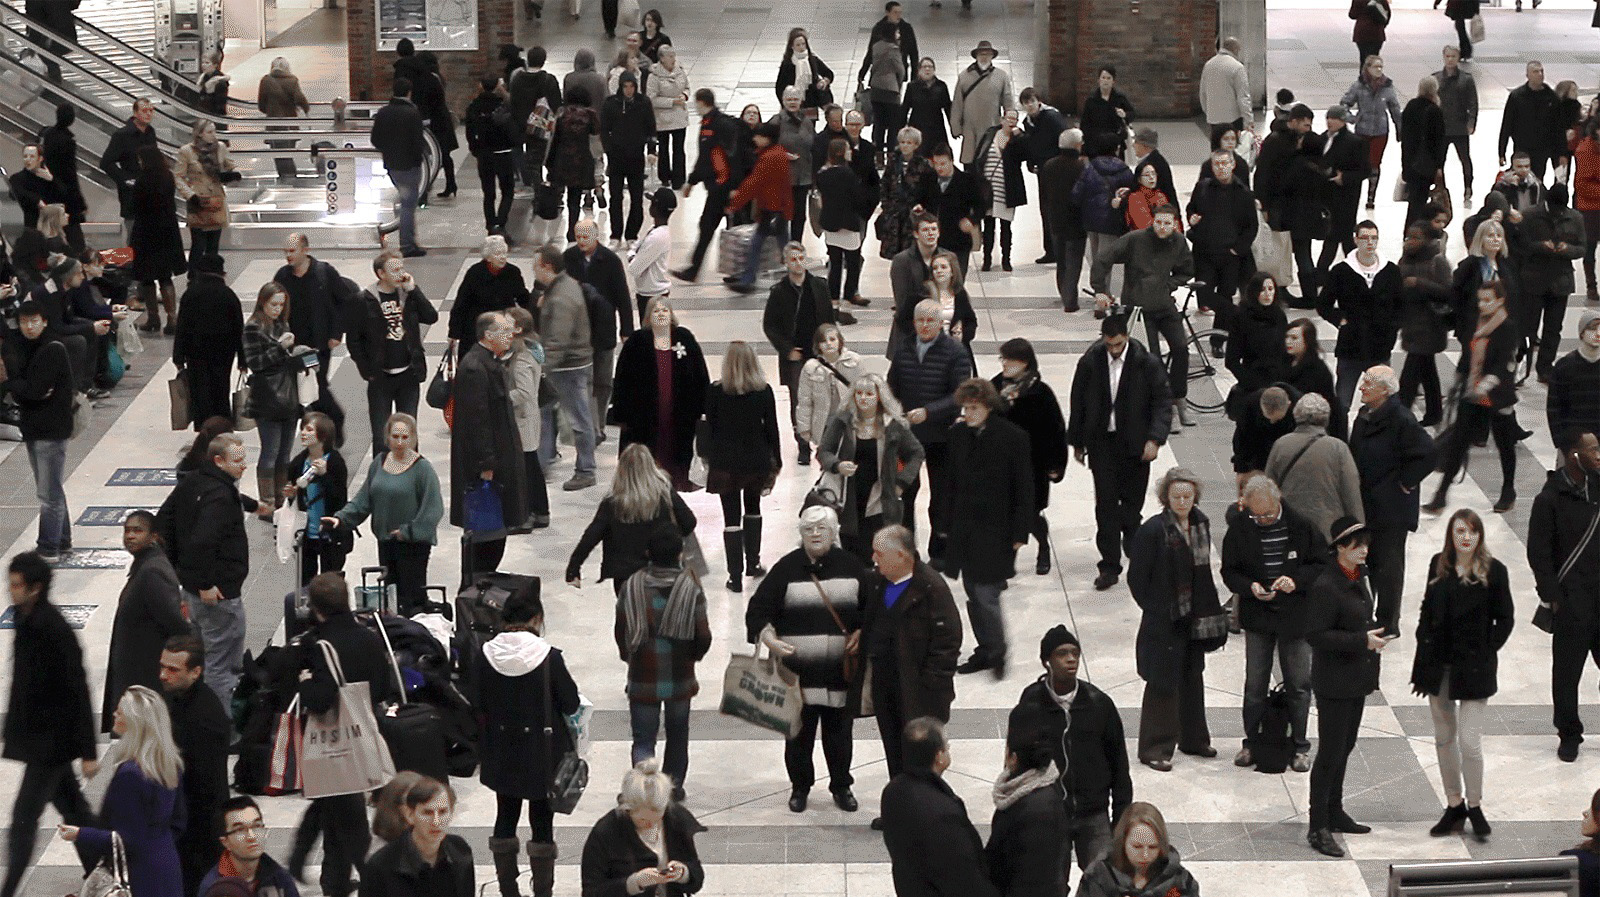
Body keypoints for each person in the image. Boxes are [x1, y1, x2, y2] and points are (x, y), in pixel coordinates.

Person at [746, 506, 868, 812]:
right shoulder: (786, 569)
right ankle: (800, 787)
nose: (814, 534)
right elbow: (758, 609)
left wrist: (862, 631)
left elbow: (874, 607)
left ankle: (841, 786)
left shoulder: (852, 566)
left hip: (839, 672)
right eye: (808, 529)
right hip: (798, 675)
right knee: (798, 737)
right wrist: (768, 637)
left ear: (834, 532)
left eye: (821, 528)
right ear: (800, 534)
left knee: (839, 736)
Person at [1409, 509, 1513, 841]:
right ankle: (1454, 804)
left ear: (1480, 536)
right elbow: (1427, 607)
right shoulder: (1438, 564)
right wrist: (1421, 641)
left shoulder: (1495, 572)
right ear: (1451, 536)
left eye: (1471, 532)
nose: (1464, 538)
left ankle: (1475, 804)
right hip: (1438, 663)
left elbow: (1505, 619)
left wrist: (1486, 649)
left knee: (1470, 741)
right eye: (1458, 531)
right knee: (1444, 738)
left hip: (1474, 667)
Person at [0, 552, 97, 897]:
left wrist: (88, 751)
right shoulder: (27, 621)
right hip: (41, 739)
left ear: (35, 588)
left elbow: (78, 689)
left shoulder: (52, 629)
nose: (9, 591)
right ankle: (106, 869)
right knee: (75, 810)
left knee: (23, 820)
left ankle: (8, 889)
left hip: (51, 744)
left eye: (15, 585)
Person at [296, 574, 399, 897]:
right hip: (361, 735)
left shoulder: (318, 644)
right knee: (335, 807)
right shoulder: (368, 637)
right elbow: (384, 687)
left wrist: (303, 681)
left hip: (333, 742)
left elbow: (320, 698)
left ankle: (363, 880)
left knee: (342, 815)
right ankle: (332, 880)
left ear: (315, 608)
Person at [1004, 626, 1131, 881]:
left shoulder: (1099, 704)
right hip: (1049, 815)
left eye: (1075, 652)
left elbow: (1119, 764)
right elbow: (1013, 766)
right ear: (1046, 662)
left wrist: (1121, 818)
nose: (1071, 659)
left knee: (1105, 883)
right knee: (1050, 884)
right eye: (1062, 654)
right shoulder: (1029, 706)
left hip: (1093, 812)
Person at [475, 584, 578, 897]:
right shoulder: (548, 658)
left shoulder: (484, 654)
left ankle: (508, 888)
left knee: (505, 814)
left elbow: (476, 701)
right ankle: (543, 890)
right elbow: (571, 703)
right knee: (541, 821)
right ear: (537, 617)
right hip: (542, 753)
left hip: (500, 750)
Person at [1222, 475, 1324, 772]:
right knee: (1255, 682)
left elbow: (1320, 563)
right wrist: (1250, 586)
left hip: (1295, 616)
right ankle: (1252, 741)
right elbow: (1230, 570)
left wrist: (1295, 581)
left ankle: (1300, 745)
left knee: (1299, 683)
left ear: (1277, 500)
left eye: (1267, 514)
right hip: (1258, 615)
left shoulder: (1301, 525)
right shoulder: (1241, 527)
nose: (1263, 520)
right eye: (1257, 515)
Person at [1068, 314, 1172, 590]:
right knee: (1105, 507)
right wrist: (1077, 441)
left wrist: (1155, 439)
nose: (1113, 350)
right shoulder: (1090, 362)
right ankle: (1109, 565)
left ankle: (1131, 535)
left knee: (1131, 505)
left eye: (1118, 344)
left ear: (1126, 337)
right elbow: (1078, 400)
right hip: (1103, 444)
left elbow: (1162, 402)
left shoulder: (1146, 363)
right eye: (1109, 345)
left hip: (1136, 444)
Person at [1128, 467, 1222, 771]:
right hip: (1164, 618)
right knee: (1162, 681)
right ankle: (1154, 747)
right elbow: (1137, 577)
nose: (1182, 501)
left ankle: (1194, 739)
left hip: (1195, 614)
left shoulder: (1200, 524)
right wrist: (1156, 607)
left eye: (1188, 495)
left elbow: (1204, 571)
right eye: (1176, 495)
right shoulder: (1153, 530)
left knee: (1193, 676)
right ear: (1166, 498)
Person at [1304, 516, 1388, 857]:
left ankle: (1334, 811)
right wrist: (1361, 641)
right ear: (1340, 548)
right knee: (1330, 752)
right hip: (1334, 682)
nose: (1365, 550)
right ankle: (1317, 825)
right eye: (1358, 545)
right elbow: (1316, 635)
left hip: (1356, 678)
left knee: (1346, 746)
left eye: (1366, 544)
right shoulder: (1327, 585)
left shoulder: (1358, 576)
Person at [940, 378, 1033, 677]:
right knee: (972, 592)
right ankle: (985, 649)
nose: (967, 413)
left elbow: (1024, 488)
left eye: (973, 408)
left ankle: (997, 650)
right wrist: (943, 523)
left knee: (986, 594)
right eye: (964, 408)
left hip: (997, 530)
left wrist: (1021, 531)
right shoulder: (957, 436)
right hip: (964, 529)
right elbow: (949, 484)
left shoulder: (1013, 437)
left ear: (988, 407)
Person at [860, 526, 961, 796]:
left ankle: (926, 806)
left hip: (919, 691)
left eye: (880, 553)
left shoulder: (931, 588)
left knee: (920, 756)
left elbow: (949, 642)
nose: (874, 558)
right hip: (887, 681)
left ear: (903, 556)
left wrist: (930, 684)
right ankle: (901, 802)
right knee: (893, 748)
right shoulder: (879, 582)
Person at [58, 686, 184, 897]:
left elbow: (126, 841)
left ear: (135, 722)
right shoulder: (170, 764)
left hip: (139, 876)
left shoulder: (130, 775)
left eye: (120, 711)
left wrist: (80, 834)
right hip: (167, 867)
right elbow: (178, 822)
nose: (114, 714)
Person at [155, 432, 250, 705]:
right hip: (217, 595)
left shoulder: (193, 481)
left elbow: (163, 522)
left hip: (193, 592)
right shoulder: (220, 496)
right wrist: (206, 583)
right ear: (219, 461)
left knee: (203, 661)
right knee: (221, 666)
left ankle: (197, 719)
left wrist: (181, 571)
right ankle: (221, 728)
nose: (244, 465)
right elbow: (202, 542)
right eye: (238, 460)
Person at [616, 527, 710, 799]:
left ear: (648, 554)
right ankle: (673, 784)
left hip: (642, 674)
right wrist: (695, 655)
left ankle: (645, 788)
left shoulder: (631, 586)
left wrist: (628, 655)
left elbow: (621, 628)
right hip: (680, 675)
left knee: (643, 737)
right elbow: (703, 634)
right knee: (678, 734)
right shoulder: (690, 588)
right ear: (680, 554)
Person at [1349, 365, 1435, 635]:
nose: (1361, 387)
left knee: (1388, 567)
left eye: (1368, 384)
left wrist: (1406, 481)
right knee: (1368, 561)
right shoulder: (1365, 415)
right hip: (1367, 502)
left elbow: (1428, 453)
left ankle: (1388, 622)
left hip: (1391, 508)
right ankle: (1366, 614)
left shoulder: (1401, 419)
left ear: (1385, 390)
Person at [1530, 429, 1600, 762]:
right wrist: (1552, 595)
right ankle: (1569, 733)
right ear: (1574, 455)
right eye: (1593, 451)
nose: (1598, 456)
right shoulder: (1550, 499)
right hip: (1572, 601)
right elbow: (1538, 553)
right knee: (1567, 673)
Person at [1092, 205, 1195, 428]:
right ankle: (1165, 408)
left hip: (1164, 306)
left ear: (1175, 224)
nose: (1162, 227)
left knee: (1181, 349)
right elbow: (1103, 258)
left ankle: (1180, 399)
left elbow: (1187, 270)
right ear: (1152, 221)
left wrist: (1170, 284)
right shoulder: (1135, 239)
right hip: (1138, 309)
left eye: (1167, 223)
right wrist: (1100, 289)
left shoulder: (1178, 242)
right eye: (1158, 222)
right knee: (1153, 358)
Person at [1423, 280, 1521, 513]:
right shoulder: (1474, 323)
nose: (1483, 304)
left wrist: (1486, 384)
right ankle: (1441, 494)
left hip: (1497, 395)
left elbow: (1503, 364)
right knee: (1458, 443)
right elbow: (1468, 355)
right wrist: (1460, 378)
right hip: (1472, 394)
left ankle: (1508, 490)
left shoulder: (1507, 327)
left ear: (1500, 301)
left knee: (1505, 445)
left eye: (1488, 300)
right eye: (1480, 299)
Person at [326, 413, 442, 610]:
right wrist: (341, 519)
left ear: (413, 438)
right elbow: (363, 500)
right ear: (387, 437)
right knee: (391, 601)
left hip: (413, 546)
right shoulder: (379, 463)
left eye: (405, 437)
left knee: (411, 601)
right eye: (395, 436)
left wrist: (408, 532)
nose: (399, 442)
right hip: (386, 542)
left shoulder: (423, 469)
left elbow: (433, 509)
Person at [887, 299, 970, 558]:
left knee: (942, 494)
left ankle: (940, 549)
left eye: (930, 320)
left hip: (941, 435)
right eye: (920, 320)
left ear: (940, 323)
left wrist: (929, 412)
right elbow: (892, 385)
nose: (924, 325)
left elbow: (959, 394)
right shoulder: (904, 348)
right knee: (905, 493)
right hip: (908, 436)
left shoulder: (955, 352)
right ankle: (908, 549)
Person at [880, 718, 999, 897]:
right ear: (939, 757)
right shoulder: (943, 814)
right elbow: (964, 875)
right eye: (947, 746)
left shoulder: (892, 791)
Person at [452, 311, 529, 576]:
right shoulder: (475, 367)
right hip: (487, 467)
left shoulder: (488, 362)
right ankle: (476, 582)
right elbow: (478, 421)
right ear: (487, 335)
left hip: (498, 457)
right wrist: (486, 464)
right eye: (505, 332)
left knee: (496, 531)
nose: (511, 337)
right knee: (486, 532)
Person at [817, 373, 923, 562]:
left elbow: (916, 453)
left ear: (879, 396)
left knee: (877, 546)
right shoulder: (843, 421)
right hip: (847, 494)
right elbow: (824, 450)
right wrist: (837, 465)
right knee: (850, 546)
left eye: (869, 394)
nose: (863, 398)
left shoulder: (893, 424)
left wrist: (902, 482)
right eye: (859, 393)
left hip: (880, 496)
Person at [702, 341, 782, 592]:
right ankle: (753, 562)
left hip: (724, 462)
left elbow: (709, 427)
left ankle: (734, 576)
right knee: (753, 507)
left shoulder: (715, 391)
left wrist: (707, 456)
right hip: (755, 460)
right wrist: (777, 460)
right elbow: (772, 429)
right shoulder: (763, 391)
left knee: (730, 517)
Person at [1, 301, 77, 561]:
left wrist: (13, 383)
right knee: (52, 487)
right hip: (35, 428)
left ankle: (48, 548)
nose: (29, 327)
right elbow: (32, 390)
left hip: (51, 430)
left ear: (44, 321)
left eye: (34, 321)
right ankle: (62, 540)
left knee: (48, 493)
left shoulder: (52, 349)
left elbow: (34, 390)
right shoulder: (25, 348)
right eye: (24, 322)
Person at [158, 634, 232, 896]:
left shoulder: (204, 719)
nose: (164, 675)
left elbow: (203, 787)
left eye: (173, 669)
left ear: (196, 672)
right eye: (163, 667)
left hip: (199, 830)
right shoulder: (179, 698)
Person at [567, 444, 698, 590]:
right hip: (660, 570)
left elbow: (591, 536)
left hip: (625, 576)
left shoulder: (612, 503)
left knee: (628, 611)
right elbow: (689, 522)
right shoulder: (665, 494)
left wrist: (574, 566)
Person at [610, 297, 709, 489]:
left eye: (665, 310)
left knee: (677, 448)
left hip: (679, 413)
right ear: (648, 316)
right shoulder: (637, 342)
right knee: (648, 451)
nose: (661, 314)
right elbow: (622, 378)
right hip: (644, 414)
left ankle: (677, 482)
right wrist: (621, 413)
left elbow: (700, 373)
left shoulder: (684, 338)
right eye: (656, 311)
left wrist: (704, 405)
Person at [102, 511, 187, 733]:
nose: (130, 536)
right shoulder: (146, 565)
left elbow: (174, 622)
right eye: (127, 530)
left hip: (145, 673)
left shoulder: (152, 572)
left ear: (153, 536)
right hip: (140, 670)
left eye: (137, 531)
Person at [347, 253, 437, 456]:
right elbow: (354, 340)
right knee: (381, 435)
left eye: (402, 268)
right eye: (395, 270)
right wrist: (366, 370)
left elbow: (431, 316)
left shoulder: (408, 295)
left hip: (408, 374)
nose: (402, 274)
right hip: (380, 377)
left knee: (408, 431)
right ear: (381, 273)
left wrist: (414, 291)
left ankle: (410, 473)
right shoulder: (364, 299)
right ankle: (382, 476)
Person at [991, 339, 1068, 575]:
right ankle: (1007, 561)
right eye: (1003, 359)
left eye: (1010, 359)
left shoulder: (1040, 392)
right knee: (1006, 513)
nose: (1005, 364)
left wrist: (1056, 464)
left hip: (1034, 463)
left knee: (1030, 513)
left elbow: (1055, 429)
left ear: (1024, 363)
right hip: (1003, 463)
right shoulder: (994, 386)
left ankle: (1043, 547)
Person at [579, 759, 705, 897]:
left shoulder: (676, 820)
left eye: (657, 819)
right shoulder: (606, 832)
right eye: (642, 820)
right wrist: (633, 883)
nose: (651, 825)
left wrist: (683, 873)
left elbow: (697, 876)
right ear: (628, 809)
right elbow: (591, 891)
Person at [766, 242, 838, 466]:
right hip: (794, 357)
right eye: (793, 259)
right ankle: (803, 445)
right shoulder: (779, 292)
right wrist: (786, 350)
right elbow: (770, 325)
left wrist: (830, 346)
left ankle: (826, 443)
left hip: (818, 353)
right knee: (799, 400)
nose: (798, 263)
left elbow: (828, 319)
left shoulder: (819, 286)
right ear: (786, 263)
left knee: (825, 397)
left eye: (801, 258)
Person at [1318, 220, 1400, 411]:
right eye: (1364, 238)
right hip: (1351, 347)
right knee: (1342, 402)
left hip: (1380, 347)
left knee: (1384, 402)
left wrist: (1392, 329)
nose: (1370, 242)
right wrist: (1340, 320)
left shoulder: (1390, 271)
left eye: (1374, 238)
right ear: (1355, 240)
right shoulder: (1341, 271)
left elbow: (1400, 306)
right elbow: (1323, 304)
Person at [276, 234, 353, 436]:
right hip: (294, 344)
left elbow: (345, 302)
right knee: (306, 385)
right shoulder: (283, 276)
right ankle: (321, 427)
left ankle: (333, 420)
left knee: (315, 383)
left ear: (305, 250)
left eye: (292, 251)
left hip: (317, 344)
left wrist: (337, 332)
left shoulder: (323, 273)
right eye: (285, 251)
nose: (288, 256)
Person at [564, 220, 631, 432]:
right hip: (577, 332)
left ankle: (598, 423)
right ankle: (584, 424)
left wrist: (626, 330)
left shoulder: (610, 261)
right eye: (578, 237)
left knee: (602, 381)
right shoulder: (568, 258)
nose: (581, 241)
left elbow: (622, 296)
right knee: (582, 381)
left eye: (586, 237)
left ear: (596, 236)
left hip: (603, 330)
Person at [1265, 393, 1363, 537]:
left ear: (1296, 415)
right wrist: (1358, 530)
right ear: (1326, 418)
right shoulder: (1338, 447)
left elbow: (1268, 486)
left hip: (1289, 525)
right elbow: (1351, 490)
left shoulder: (1281, 444)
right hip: (1329, 528)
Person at [242, 282, 304, 508]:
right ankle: (267, 501)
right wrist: (280, 347)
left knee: (285, 453)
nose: (277, 309)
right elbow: (255, 363)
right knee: (270, 451)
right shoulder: (253, 327)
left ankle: (281, 498)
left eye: (281, 305)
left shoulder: (282, 324)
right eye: (273, 304)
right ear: (262, 302)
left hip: (288, 394)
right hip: (266, 397)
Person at [358, 777, 475, 897]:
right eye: (427, 813)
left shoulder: (460, 850)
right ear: (409, 815)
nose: (436, 821)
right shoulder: (380, 865)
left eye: (443, 812)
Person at [673, 90, 742, 282]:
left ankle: (734, 272)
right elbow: (704, 158)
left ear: (703, 103)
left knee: (728, 228)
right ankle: (697, 269)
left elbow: (733, 158)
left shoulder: (720, 125)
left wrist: (734, 185)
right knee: (709, 226)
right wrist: (692, 181)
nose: (695, 107)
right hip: (716, 187)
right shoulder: (707, 124)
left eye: (697, 103)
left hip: (723, 186)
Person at [1254, 104, 1318, 301]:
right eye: (1305, 125)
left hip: (1297, 208)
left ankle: (1306, 294)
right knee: (1281, 249)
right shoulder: (1276, 142)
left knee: (1298, 249)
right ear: (1293, 122)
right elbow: (1262, 175)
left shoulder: (1302, 141)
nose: (1309, 128)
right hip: (1280, 207)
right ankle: (1285, 289)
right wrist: (1263, 205)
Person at [1187, 149, 1258, 324]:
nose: (1221, 168)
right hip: (1205, 251)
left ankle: (1219, 339)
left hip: (1229, 254)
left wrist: (1238, 249)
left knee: (1226, 294)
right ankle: (1234, 312)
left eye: (1224, 163)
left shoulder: (1244, 194)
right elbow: (1192, 207)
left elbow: (1252, 226)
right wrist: (1192, 218)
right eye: (1216, 164)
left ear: (1232, 165)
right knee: (1205, 293)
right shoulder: (1202, 187)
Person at [1523, 184, 1586, 380]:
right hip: (1534, 279)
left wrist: (1566, 249)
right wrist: (1541, 246)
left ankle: (1545, 368)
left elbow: (1582, 248)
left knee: (1553, 328)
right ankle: (1521, 369)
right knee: (1528, 328)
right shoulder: (1531, 215)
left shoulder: (1575, 217)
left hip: (1561, 281)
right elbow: (1521, 245)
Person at [1076, 802, 1200, 897]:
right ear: (1123, 842)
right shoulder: (1099, 877)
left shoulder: (1178, 881)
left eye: (1153, 847)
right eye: (1137, 847)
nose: (1145, 855)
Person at [1397, 221, 1454, 426]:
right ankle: (1434, 413)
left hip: (1430, 326)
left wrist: (1419, 283)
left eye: (1416, 237)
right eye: (1408, 237)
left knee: (1409, 377)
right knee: (1427, 370)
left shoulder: (1437, 261)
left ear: (1427, 240)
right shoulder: (1404, 260)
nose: (1410, 242)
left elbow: (1449, 292)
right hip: (1411, 324)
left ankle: (1399, 416)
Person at [129, 144, 187, 333]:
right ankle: (172, 319)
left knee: (146, 278)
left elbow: (136, 207)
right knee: (165, 277)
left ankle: (153, 318)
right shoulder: (167, 176)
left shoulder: (142, 180)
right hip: (167, 231)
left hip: (146, 233)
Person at [285, 411, 351, 578]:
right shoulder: (298, 462)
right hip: (306, 532)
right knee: (306, 583)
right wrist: (291, 494)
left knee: (330, 581)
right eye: (302, 429)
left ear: (323, 435)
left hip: (329, 533)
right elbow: (294, 495)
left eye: (309, 430)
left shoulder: (335, 462)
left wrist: (325, 476)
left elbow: (340, 498)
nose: (303, 433)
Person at [815, 139, 875, 322]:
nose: (851, 152)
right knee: (853, 263)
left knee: (835, 264)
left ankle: (833, 303)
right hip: (848, 224)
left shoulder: (822, 174)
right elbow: (857, 198)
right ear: (841, 152)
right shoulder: (848, 174)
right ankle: (848, 300)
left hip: (831, 224)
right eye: (848, 150)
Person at [371, 77, 429, 257]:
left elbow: (375, 140)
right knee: (408, 206)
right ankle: (408, 245)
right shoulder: (412, 113)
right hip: (409, 166)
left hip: (392, 165)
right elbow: (418, 142)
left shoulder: (383, 112)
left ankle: (408, 241)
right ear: (409, 92)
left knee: (404, 202)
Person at [1313, 105, 1370, 288]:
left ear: (1343, 121)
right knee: (1343, 237)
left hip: (1346, 197)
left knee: (1336, 235)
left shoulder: (1354, 142)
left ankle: (1322, 272)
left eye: (1335, 118)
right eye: (1328, 117)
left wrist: (1344, 178)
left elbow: (1364, 170)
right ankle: (1358, 271)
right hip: (1326, 196)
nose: (1330, 121)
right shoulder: (1321, 139)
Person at [199, 797, 301, 897]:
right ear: (225, 842)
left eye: (256, 826)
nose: (252, 836)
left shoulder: (279, 877)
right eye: (240, 830)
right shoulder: (215, 887)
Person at [449, 235, 530, 362]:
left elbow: (523, 297)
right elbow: (461, 304)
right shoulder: (475, 273)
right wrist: (454, 333)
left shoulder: (512, 272)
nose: (503, 257)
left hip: (503, 325)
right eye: (498, 253)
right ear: (488, 257)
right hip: (477, 327)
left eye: (504, 252)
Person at [174, 119, 238, 271]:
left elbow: (231, 165)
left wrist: (232, 175)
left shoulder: (220, 148)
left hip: (216, 200)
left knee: (213, 245)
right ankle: (194, 276)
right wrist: (190, 195)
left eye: (214, 131)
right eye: (209, 132)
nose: (213, 135)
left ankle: (212, 275)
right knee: (198, 244)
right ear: (200, 134)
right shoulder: (187, 151)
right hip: (199, 201)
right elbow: (178, 176)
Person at [1340, 56, 1401, 211]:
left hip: (1380, 130)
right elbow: (1345, 103)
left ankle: (1371, 196)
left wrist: (1400, 128)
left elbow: (1394, 108)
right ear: (1367, 68)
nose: (1379, 70)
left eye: (1381, 66)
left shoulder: (1387, 87)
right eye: (1375, 67)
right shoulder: (1359, 86)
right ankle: (1356, 193)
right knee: (1360, 163)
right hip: (1362, 129)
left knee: (1375, 163)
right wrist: (1351, 118)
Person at [969, 111, 1027, 272]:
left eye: (1014, 119)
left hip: (1007, 188)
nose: (1010, 121)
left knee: (1006, 226)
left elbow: (1024, 155)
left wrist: (1019, 136)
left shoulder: (1018, 139)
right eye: (1008, 118)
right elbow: (978, 157)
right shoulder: (990, 134)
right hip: (988, 189)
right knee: (988, 225)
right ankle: (986, 259)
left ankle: (1006, 259)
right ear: (1002, 119)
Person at [602, 72, 656, 244]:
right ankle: (615, 234)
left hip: (636, 157)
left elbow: (651, 128)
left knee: (636, 197)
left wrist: (652, 150)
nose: (628, 90)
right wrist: (608, 149)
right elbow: (604, 129)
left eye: (631, 86)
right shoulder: (611, 104)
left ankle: (632, 234)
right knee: (615, 197)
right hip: (616, 158)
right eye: (625, 86)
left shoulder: (643, 103)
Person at [796, 323, 864, 457]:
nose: (828, 344)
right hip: (824, 422)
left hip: (850, 420)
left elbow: (865, 391)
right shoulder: (811, 368)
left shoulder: (854, 361)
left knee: (851, 456)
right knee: (827, 458)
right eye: (823, 341)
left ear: (840, 341)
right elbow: (805, 401)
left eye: (832, 339)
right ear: (817, 345)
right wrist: (804, 428)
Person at [914, 146, 983, 276]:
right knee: (933, 281)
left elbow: (980, 206)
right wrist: (918, 207)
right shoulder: (927, 179)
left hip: (958, 240)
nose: (939, 168)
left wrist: (972, 220)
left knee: (957, 281)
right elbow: (918, 199)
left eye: (943, 163)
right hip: (933, 240)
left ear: (952, 161)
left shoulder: (967, 181)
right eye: (936, 164)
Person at [464, 75, 518, 236]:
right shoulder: (503, 105)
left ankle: (490, 224)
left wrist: (475, 149)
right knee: (508, 191)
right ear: (497, 87)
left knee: (488, 193)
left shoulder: (474, 106)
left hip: (484, 155)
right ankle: (500, 223)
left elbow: (469, 132)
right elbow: (512, 129)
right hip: (503, 153)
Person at [1040, 130, 1088, 309]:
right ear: (1077, 145)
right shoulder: (1081, 167)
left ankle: (1064, 293)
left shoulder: (1049, 165)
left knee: (1061, 261)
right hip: (1076, 221)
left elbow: (1044, 193)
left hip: (1055, 219)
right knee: (1074, 262)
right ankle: (1070, 300)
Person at [99, 97, 158, 237]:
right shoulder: (122, 135)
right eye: (145, 110)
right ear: (135, 113)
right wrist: (125, 180)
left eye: (151, 110)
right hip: (132, 192)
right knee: (134, 235)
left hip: (151, 189)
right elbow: (106, 162)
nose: (149, 114)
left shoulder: (150, 132)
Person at [949, 40, 1015, 165]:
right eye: (981, 53)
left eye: (987, 53)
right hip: (970, 128)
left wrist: (1009, 126)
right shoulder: (964, 76)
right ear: (976, 56)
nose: (984, 56)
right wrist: (955, 126)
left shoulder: (1001, 76)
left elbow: (1008, 102)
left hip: (992, 126)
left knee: (989, 161)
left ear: (992, 56)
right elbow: (957, 103)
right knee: (969, 161)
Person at [1227, 273, 1289, 396]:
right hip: (1253, 382)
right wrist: (1248, 382)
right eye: (1262, 290)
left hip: (1278, 382)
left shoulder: (1279, 315)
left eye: (1271, 289)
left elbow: (1285, 350)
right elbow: (1231, 359)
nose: (1267, 294)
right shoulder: (1241, 318)